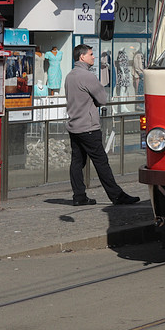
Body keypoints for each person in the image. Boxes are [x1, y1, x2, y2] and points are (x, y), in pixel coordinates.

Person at [64, 44, 139, 207]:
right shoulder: (87, 76)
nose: (93, 57)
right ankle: (117, 196)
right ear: (82, 57)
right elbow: (102, 99)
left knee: (77, 162)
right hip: (88, 126)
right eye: (91, 54)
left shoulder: (70, 76)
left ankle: (79, 196)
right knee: (101, 162)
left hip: (74, 125)